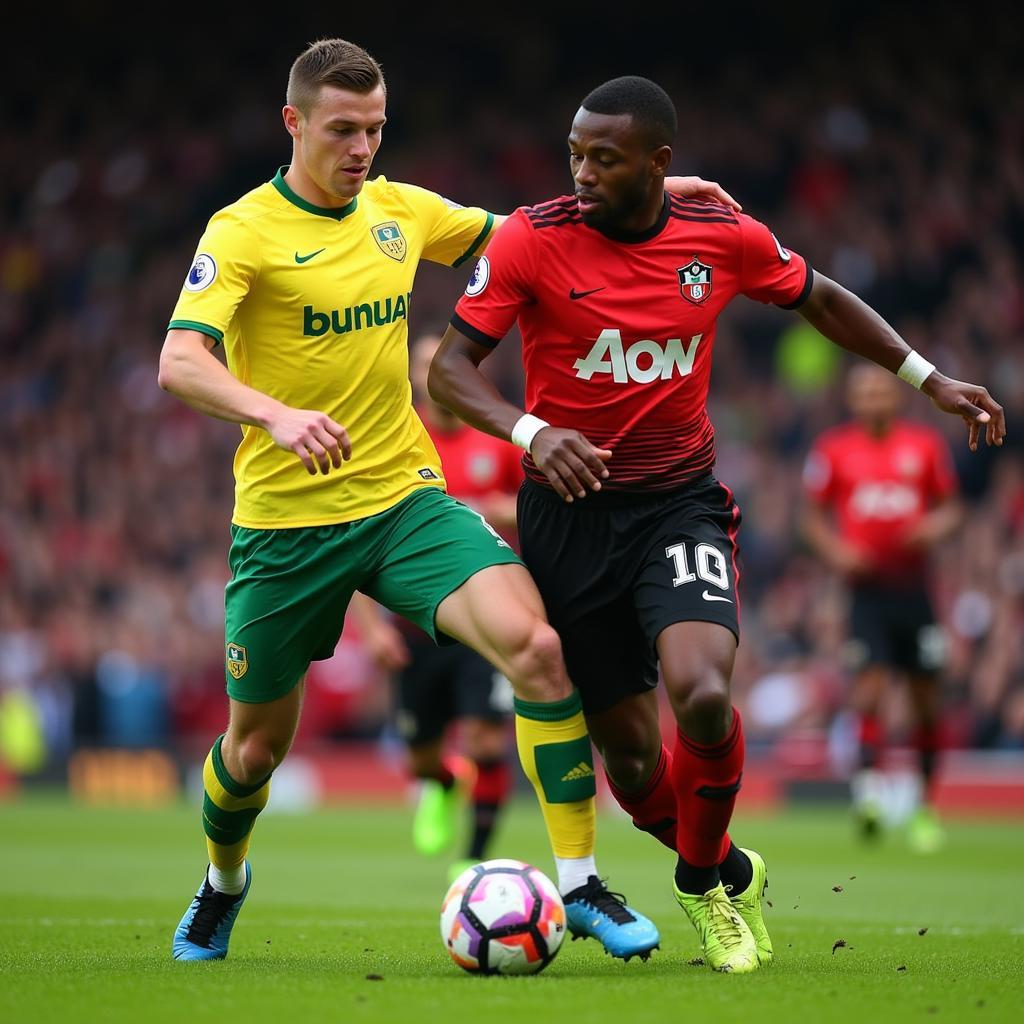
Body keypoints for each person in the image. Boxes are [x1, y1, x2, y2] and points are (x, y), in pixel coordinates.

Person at [159, 39, 734, 963]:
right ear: (294, 122)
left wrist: (659, 193)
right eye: (343, 129)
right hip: (285, 526)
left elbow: (537, 232)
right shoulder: (241, 232)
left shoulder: (401, 211)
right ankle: (224, 881)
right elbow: (180, 359)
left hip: (403, 502)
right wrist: (274, 413)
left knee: (538, 649)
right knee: (253, 754)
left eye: (376, 129)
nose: (362, 148)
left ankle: (581, 887)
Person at [428, 75, 1005, 972]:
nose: (581, 171)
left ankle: (701, 890)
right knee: (627, 762)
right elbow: (452, 374)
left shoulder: (721, 236)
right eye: (574, 152)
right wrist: (533, 432)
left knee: (701, 693)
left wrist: (929, 379)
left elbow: (818, 296)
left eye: (604, 157)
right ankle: (730, 864)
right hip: (569, 516)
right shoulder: (530, 242)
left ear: (660, 164)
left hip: (678, 503)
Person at [352, 333, 521, 881]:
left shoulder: (497, 442)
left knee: (485, 738)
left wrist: (509, 510)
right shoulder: (397, 445)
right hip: (415, 621)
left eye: (441, 363)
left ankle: (472, 859)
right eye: (423, 365)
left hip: (484, 617)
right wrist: (373, 630)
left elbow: (541, 508)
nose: (435, 374)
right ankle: (444, 782)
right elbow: (362, 539)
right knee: (422, 757)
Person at [802, 365, 963, 851]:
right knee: (869, 686)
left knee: (926, 701)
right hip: (865, 591)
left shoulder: (925, 446)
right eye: (864, 392)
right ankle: (869, 794)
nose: (872, 399)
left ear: (896, 397)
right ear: (852, 400)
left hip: (915, 591)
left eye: (880, 390)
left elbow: (952, 508)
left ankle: (925, 807)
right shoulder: (833, 450)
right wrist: (836, 551)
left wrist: (934, 528)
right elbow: (810, 517)